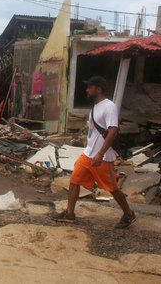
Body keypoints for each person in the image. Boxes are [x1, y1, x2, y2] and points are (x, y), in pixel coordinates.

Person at [51, 75, 136, 229]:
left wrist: (100, 154)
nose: (87, 89)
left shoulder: (109, 106)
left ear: (98, 89)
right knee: (74, 180)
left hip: (102, 156)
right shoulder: (95, 106)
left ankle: (128, 213)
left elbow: (113, 130)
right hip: (89, 153)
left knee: (112, 188)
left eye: (90, 87)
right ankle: (70, 214)